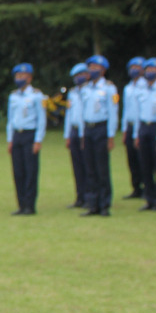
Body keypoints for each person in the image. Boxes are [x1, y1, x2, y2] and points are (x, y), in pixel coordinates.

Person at [79, 54, 118, 216]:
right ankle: (92, 203)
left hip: (101, 129)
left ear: (103, 70)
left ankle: (104, 204)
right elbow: (82, 113)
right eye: (90, 67)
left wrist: (110, 136)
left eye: (96, 68)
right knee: (90, 168)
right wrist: (82, 134)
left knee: (102, 168)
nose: (92, 70)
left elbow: (113, 113)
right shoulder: (85, 88)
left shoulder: (109, 88)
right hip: (88, 128)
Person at [6, 62, 46, 215]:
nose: (19, 78)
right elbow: (10, 120)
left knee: (30, 171)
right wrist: (10, 139)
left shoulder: (36, 95)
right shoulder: (13, 96)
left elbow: (41, 120)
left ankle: (30, 205)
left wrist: (38, 140)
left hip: (30, 135)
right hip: (17, 135)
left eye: (23, 76)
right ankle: (21, 204)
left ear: (29, 78)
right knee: (18, 172)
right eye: (17, 76)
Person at [135, 58, 156, 212]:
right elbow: (137, 114)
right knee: (145, 165)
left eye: (153, 70)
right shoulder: (141, 90)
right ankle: (148, 198)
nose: (150, 73)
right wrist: (136, 134)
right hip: (144, 128)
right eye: (148, 70)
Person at [63, 64, 89, 209]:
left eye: (81, 75)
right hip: (74, 131)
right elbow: (69, 115)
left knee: (88, 165)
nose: (78, 78)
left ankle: (90, 196)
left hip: (85, 131)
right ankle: (80, 196)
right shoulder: (72, 93)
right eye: (76, 76)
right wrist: (67, 135)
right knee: (77, 166)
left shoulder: (90, 91)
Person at [121, 57, 146, 199]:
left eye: (137, 67)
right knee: (131, 159)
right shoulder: (128, 88)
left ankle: (146, 186)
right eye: (132, 67)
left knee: (142, 158)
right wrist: (124, 130)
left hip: (141, 126)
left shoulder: (145, 87)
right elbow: (126, 110)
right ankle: (136, 187)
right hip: (130, 126)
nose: (134, 70)